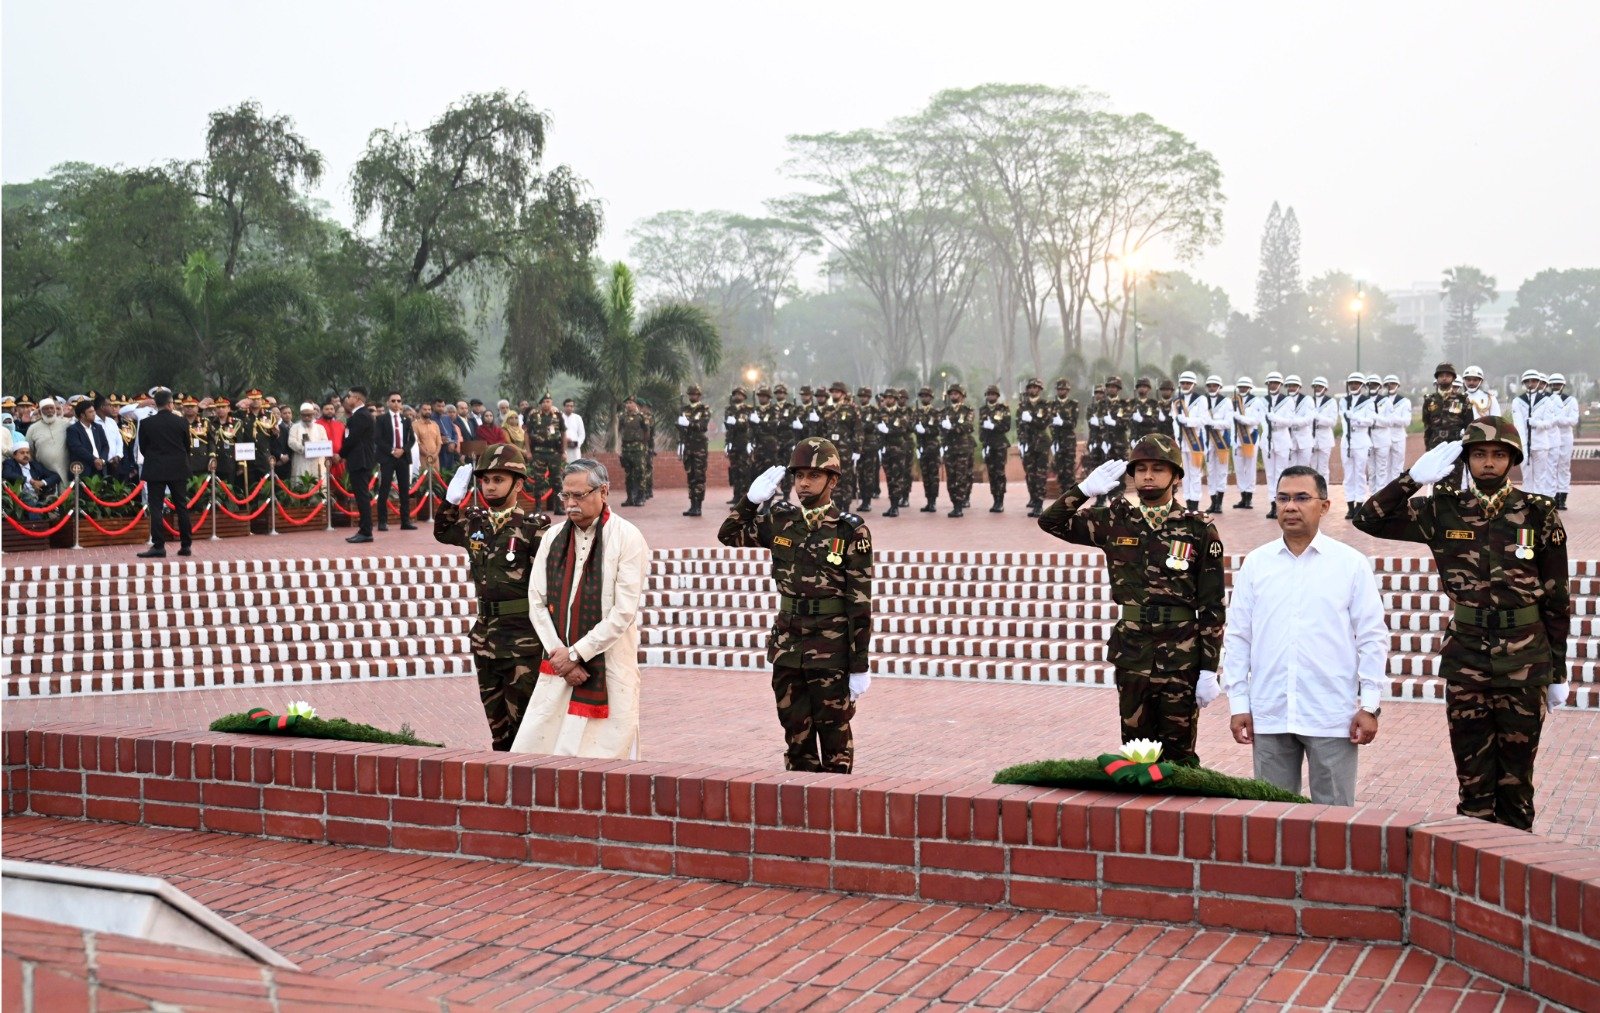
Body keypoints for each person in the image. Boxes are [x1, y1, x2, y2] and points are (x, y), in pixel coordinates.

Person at [1354, 418, 1569, 830]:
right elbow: (1369, 519)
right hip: (1467, 658)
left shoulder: (1538, 512)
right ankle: (1477, 872)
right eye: (1479, 454)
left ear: (1512, 461)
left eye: (1499, 454)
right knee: (1472, 781)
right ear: (1467, 460)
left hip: (1525, 659)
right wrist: (1411, 478)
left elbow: (1557, 597)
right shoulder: (1442, 508)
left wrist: (1556, 671)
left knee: (1517, 783)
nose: (1489, 463)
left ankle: (1516, 868)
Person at [1039, 434, 1224, 765]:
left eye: (1157, 469)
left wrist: (1209, 669)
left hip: (1180, 655)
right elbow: (1050, 522)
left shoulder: (1198, 529)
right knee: (1137, 752)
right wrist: (1082, 491)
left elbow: (1212, 606)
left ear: (1176, 477)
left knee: (1179, 756)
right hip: (1133, 650)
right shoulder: (1114, 520)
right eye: (1140, 469)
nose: (1148, 476)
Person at [1223, 466, 1388, 804]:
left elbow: (1372, 638)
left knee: (1335, 820)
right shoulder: (1257, 564)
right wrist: (1239, 703)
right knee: (1273, 820)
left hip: (1331, 715)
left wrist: (1370, 704)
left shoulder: (1350, 564)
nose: (1290, 507)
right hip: (1270, 711)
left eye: (1301, 498)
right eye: (1283, 498)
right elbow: (1238, 638)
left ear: (1324, 506)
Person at [718, 439, 873, 772]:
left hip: (831, 648)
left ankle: (838, 815)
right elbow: (729, 534)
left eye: (813, 475)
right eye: (799, 475)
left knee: (835, 743)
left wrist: (859, 664)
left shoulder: (849, 530)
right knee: (796, 738)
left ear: (832, 480)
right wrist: (749, 501)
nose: (803, 483)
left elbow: (859, 601)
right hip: (788, 645)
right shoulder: (780, 520)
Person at [512, 459, 649, 759]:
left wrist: (576, 654)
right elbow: (536, 600)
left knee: (605, 760)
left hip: (608, 665)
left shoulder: (627, 537)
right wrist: (561, 656)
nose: (570, 503)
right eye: (565, 496)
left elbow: (623, 613)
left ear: (604, 492)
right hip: (558, 667)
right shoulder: (553, 537)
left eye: (579, 495)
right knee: (540, 751)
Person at [435, 445, 552, 750]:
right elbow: (443, 531)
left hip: (521, 643)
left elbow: (551, 586)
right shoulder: (475, 523)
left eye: (498, 480)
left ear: (518, 484)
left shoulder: (534, 528)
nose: (489, 486)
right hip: (485, 641)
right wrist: (451, 501)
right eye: (485, 480)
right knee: (498, 731)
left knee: (526, 730)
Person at [134, 388, 194, 558]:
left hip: (156, 468)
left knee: (156, 507)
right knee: (181, 506)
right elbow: (186, 446)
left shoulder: (146, 423)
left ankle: (159, 545)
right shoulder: (182, 422)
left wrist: (156, 457)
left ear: (156, 404)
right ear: (170, 403)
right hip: (178, 467)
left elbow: (143, 448)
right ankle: (186, 545)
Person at [1422, 363, 1472, 489]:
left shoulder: (1462, 400)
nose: (1444, 378)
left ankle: (1453, 508)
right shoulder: (1430, 400)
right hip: (1436, 446)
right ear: (1437, 378)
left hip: (1454, 446)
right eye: (1441, 375)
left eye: (1447, 375)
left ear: (1453, 378)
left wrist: (1467, 448)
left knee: (1455, 484)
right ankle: (1437, 508)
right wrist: (1428, 448)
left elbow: (1469, 425)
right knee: (1437, 482)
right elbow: (1427, 426)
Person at [374, 391, 416, 532]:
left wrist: (403, 450)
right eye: (393, 401)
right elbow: (378, 439)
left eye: (398, 401)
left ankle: (405, 521)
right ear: (388, 402)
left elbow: (412, 440)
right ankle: (382, 522)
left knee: (404, 489)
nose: (396, 403)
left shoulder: (406, 420)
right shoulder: (381, 419)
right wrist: (392, 450)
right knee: (384, 488)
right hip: (387, 458)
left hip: (403, 457)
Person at [1338, 372, 1377, 519]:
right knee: (1348, 475)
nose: (1353, 385)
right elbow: (1343, 419)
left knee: (1360, 474)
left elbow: (1370, 421)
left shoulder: (1368, 402)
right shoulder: (1343, 401)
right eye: (1351, 383)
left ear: (1361, 385)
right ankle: (1349, 506)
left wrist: (1355, 418)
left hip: (1361, 440)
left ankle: (1359, 505)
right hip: (1347, 441)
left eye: (1356, 383)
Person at [342, 387, 377, 543]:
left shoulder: (361, 416)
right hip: (359, 459)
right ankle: (364, 529)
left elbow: (352, 439)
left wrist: (340, 453)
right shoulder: (360, 415)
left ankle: (366, 531)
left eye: (349, 396)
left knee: (362, 496)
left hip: (360, 460)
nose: (347, 399)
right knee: (361, 495)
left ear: (356, 398)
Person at [1171, 371, 1209, 511]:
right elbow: (1174, 422)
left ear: (1193, 385)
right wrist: (1177, 437)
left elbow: (1203, 420)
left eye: (1188, 383)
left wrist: (1186, 421)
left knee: (1195, 474)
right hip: (1182, 443)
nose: (1185, 385)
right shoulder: (1176, 401)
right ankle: (1188, 503)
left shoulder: (1201, 400)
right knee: (1185, 475)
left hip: (1195, 442)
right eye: (1183, 383)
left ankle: (1195, 504)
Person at [1017, 378, 1051, 518]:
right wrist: (1021, 441)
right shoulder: (1022, 406)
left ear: (1039, 390)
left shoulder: (1045, 405)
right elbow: (1019, 425)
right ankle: (1034, 500)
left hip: (1041, 444)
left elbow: (1044, 423)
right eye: (1030, 387)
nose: (1033, 389)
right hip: (1028, 444)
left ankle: (1039, 504)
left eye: (1035, 387)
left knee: (1040, 475)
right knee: (1030, 474)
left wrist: (1031, 419)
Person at [1542, 373, 1577, 510]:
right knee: (1551, 468)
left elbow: (1573, 420)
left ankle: (1562, 497)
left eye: (1558, 384)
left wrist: (1557, 420)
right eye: (1553, 384)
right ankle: (1553, 496)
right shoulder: (1546, 399)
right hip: (1550, 436)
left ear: (1563, 385)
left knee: (1563, 466)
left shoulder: (1570, 400)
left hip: (1565, 436)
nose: (1556, 387)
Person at [677, 384, 712, 516]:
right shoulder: (684, 409)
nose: (693, 396)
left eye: (695, 394)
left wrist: (689, 424)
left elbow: (703, 426)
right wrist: (680, 443)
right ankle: (692, 505)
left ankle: (698, 506)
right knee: (690, 476)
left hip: (699, 448)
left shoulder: (704, 409)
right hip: (688, 447)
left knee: (699, 477)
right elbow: (681, 429)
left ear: (699, 396)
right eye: (691, 394)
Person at [940, 383, 974, 517]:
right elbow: (941, 429)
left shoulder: (967, 410)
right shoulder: (945, 412)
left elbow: (968, 426)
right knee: (951, 478)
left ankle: (959, 505)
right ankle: (954, 503)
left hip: (962, 449)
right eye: (952, 394)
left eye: (956, 394)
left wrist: (952, 427)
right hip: (949, 449)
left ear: (961, 396)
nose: (953, 396)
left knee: (961, 477)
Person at [1230, 377, 1264, 510]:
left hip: (1250, 437)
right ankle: (1242, 496)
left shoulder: (1256, 402)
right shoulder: (1233, 401)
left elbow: (1256, 420)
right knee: (1239, 469)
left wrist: (1240, 417)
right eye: (1241, 387)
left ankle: (1249, 497)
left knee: (1249, 468)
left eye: (1245, 387)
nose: (1242, 389)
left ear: (1250, 388)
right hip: (1237, 439)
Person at [1202, 375, 1234, 515]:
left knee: (1221, 472)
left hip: (1221, 441)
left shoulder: (1226, 402)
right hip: (1208, 441)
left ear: (1219, 387)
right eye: (1209, 385)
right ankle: (1212, 501)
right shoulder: (1203, 401)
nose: (1212, 388)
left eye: (1215, 385)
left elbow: (1228, 423)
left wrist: (1213, 423)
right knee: (1210, 472)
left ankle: (1219, 503)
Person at [977, 384, 1011, 513]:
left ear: (997, 396)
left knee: (999, 473)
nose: (991, 396)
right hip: (988, 445)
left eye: (993, 394)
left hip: (1000, 445)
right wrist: (983, 443)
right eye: (989, 394)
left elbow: (1006, 426)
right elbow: (981, 428)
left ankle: (1000, 500)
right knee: (991, 473)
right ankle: (995, 499)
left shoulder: (1003, 409)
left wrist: (994, 426)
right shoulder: (983, 410)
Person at [4, 441, 62, 508]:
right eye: (22, 453)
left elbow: (56, 476)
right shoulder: (10, 463)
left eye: (27, 453)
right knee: (29, 500)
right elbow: (6, 474)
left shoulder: (35, 465)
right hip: (19, 498)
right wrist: (29, 480)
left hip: (39, 495)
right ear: (14, 455)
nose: (26, 455)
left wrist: (42, 483)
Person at [913, 386, 943, 512]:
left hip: (933, 448)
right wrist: (916, 429)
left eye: (926, 396)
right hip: (922, 447)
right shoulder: (917, 412)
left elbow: (937, 429)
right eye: (922, 396)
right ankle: (928, 500)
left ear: (931, 398)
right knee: (925, 475)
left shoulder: (935, 413)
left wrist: (925, 430)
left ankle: (933, 501)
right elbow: (911, 426)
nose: (924, 398)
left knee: (933, 476)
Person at [26, 397, 70, 484]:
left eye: (51, 408)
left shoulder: (66, 425)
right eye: (46, 409)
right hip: (45, 475)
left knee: (67, 496)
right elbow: (29, 451)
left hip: (66, 471)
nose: (49, 411)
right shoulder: (33, 429)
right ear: (40, 412)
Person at [1048, 379, 1079, 499]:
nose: (1061, 391)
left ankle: (1070, 496)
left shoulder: (1073, 404)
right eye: (1059, 389)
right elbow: (1050, 422)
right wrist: (1053, 441)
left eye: (1064, 389)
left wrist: (1062, 422)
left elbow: (1073, 423)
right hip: (1057, 442)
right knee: (1060, 471)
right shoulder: (1052, 405)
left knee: (1069, 470)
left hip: (1069, 442)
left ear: (1068, 390)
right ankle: (1062, 496)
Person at [617, 397, 650, 507]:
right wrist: (619, 450)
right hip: (626, 449)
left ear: (635, 404)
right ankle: (630, 498)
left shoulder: (641, 417)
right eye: (627, 403)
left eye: (630, 402)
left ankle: (640, 497)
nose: (628, 405)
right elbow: (620, 432)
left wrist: (643, 446)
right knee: (628, 474)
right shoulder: (623, 417)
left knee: (640, 473)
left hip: (638, 449)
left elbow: (646, 432)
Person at [66, 399, 110, 478]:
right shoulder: (73, 429)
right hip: (84, 470)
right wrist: (94, 460)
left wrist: (102, 460)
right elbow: (77, 449)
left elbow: (105, 446)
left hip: (100, 468)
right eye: (90, 412)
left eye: (94, 411)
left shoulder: (98, 427)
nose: (94, 414)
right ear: (82, 415)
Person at [723, 387, 751, 505]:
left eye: (740, 394)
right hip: (733, 443)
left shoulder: (748, 409)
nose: (737, 396)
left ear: (744, 397)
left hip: (743, 443)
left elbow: (746, 425)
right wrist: (727, 443)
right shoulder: (729, 410)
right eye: (735, 394)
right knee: (734, 471)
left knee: (743, 471)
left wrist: (737, 423)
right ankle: (736, 495)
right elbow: (728, 428)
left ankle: (743, 498)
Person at [413, 402, 442, 478]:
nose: (427, 411)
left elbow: (439, 442)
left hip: (435, 458)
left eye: (429, 409)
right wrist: (427, 454)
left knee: (436, 481)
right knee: (423, 480)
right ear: (420, 411)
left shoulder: (435, 424)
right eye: (425, 409)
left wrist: (435, 455)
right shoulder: (415, 425)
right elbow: (417, 443)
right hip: (422, 458)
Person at [561, 398, 587, 464]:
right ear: (564, 407)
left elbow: (582, 434)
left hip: (575, 448)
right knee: (563, 468)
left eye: (571, 406)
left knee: (575, 468)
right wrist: (565, 440)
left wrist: (577, 443)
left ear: (573, 408)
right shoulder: (560, 417)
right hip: (563, 447)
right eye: (567, 406)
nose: (569, 408)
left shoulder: (578, 418)